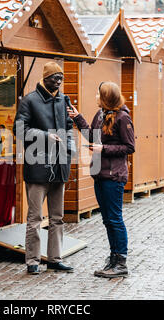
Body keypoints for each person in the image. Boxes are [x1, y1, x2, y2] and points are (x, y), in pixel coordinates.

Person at [67, 81, 135, 278]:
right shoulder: (101, 114)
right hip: (100, 174)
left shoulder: (123, 118)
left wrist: (103, 149)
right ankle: (113, 258)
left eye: (98, 94)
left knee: (115, 219)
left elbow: (129, 147)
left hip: (114, 176)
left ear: (106, 96)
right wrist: (78, 118)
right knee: (107, 220)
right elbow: (93, 136)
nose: (96, 96)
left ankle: (121, 262)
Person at [13, 62, 75, 275]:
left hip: (59, 167)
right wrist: (45, 136)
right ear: (45, 77)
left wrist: (68, 151)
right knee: (35, 218)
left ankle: (55, 259)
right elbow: (20, 129)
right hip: (38, 167)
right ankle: (32, 260)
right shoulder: (30, 100)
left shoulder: (62, 99)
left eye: (61, 78)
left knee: (57, 217)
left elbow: (68, 128)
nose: (58, 82)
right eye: (54, 78)